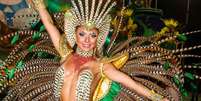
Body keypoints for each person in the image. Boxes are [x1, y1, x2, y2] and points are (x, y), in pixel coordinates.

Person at [29, 0, 170, 101]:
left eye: (93, 35)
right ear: (74, 35)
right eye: (82, 34)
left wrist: (158, 98)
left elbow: (131, 83)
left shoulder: (102, 66)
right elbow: (49, 23)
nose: (87, 40)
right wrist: (39, 4)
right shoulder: (65, 54)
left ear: (98, 38)